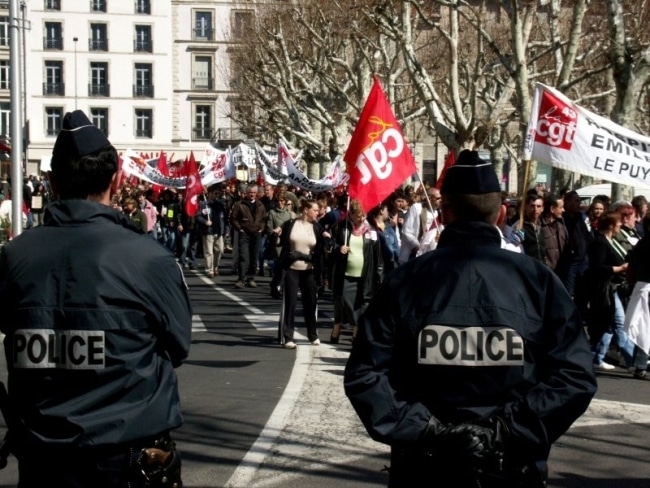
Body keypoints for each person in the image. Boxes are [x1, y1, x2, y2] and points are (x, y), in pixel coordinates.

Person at [344, 150, 597, 488]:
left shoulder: (406, 281)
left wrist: (430, 431)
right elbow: (575, 376)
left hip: (425, 467)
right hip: (510, 467)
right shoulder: (538, 281)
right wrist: (504, 431)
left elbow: (365, 374)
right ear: (501, 214)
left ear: (444, 214)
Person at [0, 110, 191, 487]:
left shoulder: (13, 257)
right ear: (117, 181)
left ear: (52, 183)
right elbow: (178, 346)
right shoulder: (150, 259)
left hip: (42, 457)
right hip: (126, 458)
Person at [586, 210, 635, 371]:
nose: (621, 225)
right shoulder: (600, 242)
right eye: (619, 223)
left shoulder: (610, 241)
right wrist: (620, 268)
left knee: (611, 324)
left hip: (611, 288)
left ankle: (597, 356)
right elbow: (598, 267)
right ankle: (633, 359)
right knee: (618, 324)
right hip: (604, 289)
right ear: (611, 225)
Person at [330, 199, 384, 344]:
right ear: (351, 215)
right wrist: (338, 248)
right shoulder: (342, 227)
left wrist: (380, 277)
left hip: (366, 275)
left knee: (363, 306)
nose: (361, 219)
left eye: (364, 215)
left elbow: (378, 257)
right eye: (358, 216)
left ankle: (356, 334)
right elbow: (330, 244)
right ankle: (350, 326)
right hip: (347, 274)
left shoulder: (371, 230)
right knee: (347, 303)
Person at [276, 199, 327, 349]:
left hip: (309, 270)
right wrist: (276, 234)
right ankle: (288, 337)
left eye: (318, 210)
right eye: (315, 210)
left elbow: (321, 252)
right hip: (291, 269)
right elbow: (280, 242)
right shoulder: (291, 224)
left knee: (311, 303)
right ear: (306, 210)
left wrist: (327, 239)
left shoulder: (317, 227)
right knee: (290, 303)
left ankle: (313, 334)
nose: (318, 213)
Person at [623, 210, 650, 380]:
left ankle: (639, 364)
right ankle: (640, 364)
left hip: (642, 286)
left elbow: (632, 264)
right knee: (645, 327)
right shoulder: (645, 244)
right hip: (646, 286)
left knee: (643, 327)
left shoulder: (642, 243)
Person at [230, 183, 266, 288]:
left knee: (254, 257)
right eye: (250, 193)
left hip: (256, 234)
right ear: (246, 193)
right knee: (244, 256)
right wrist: (239, 228)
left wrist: (261, 228)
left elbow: (264, 219)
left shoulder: (260, 205)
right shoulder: (240, 204)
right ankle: (241, 279)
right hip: (244, 233)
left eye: (254, 193)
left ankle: (251, 278)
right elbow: (233, 218)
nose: (252, 195)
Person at [266, 193, 296, 298]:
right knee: (279, 266)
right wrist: (275, 235)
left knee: (285, 267)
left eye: (282, 201)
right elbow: (269, 228)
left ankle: (278, 285)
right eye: (278, 201)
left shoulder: (290, 214)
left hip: (287, 243)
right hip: (277, 243)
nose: (280, 203)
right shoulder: (272, 213)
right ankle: (276, 285)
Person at [197, 184, 226, 278]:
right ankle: (209, 270)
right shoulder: (203, 204)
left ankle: (215, 267)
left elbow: (224, 217)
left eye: (217, 194)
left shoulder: (220, 204)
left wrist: (226, 229)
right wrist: (205, 221)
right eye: (215, 193)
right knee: (209, 251)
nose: (216, 195)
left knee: (220, 250)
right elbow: (198, 216)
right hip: (208, 231)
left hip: (218, 231)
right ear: (209, 194)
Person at [539, 192, 568, 274]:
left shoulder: (561, 226)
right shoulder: (539, 226)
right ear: (552, 209)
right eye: (561, 207)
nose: (563, 210)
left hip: (560, 273)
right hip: (545, 272)